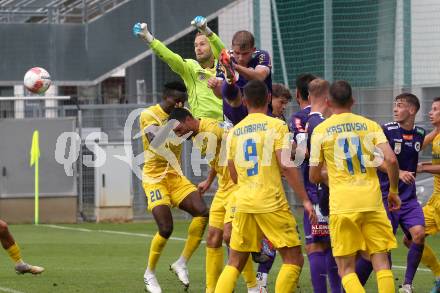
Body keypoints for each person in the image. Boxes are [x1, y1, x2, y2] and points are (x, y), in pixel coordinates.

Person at [214, 80, 317, 293]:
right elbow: (287, 166)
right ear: (269, 98)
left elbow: (232, 175)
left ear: (244, 101)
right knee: (293, 259)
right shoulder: (277, 126)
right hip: (271, 201)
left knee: (234, 262)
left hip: (242, 202)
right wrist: (305, 200)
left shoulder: (234, 132)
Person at [309, 80, 401, 293]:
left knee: (346, 269)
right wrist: (394, 191)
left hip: (343, 204)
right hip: (372, 202)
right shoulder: (370, 125)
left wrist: (329, 176)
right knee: (381, 263)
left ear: (328, 102)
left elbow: (314, 176)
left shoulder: (321, 130)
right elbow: (392, 161)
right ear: (353, 101)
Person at [168, 107, 259, 292]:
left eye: (179, 130)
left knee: (230, 236)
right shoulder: (195, 136)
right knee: (213, 238)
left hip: (237, 185)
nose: (178, 134)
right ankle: (211, 289)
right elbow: (217, 158)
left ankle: (254, 287)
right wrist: (209, 181)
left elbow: (236, 140)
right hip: (223, 187)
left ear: (188, 119)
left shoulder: (212, 128)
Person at [139, 82, 209, 293]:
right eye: (176, 100)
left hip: (175, 176)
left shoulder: (183, 114)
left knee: (203, 212)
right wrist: (174, 126)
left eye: (183, 101)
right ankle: (149, 273)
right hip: (155, 178)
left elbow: (195, 134)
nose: (180, 104)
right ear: (165, 96)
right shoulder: (149, 114)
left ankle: (181, 262)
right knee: (166, 228)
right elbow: (154, 140)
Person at [354, 93, 426, 293]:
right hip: (387, 198)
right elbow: (374, 160)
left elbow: (416, 152)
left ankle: (407, 285)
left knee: (419, 234)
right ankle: (352, 288)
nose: (395, 109)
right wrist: (399, 172)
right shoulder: (386, 130)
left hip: (408, 199)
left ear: (412, 110)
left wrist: (419, 167)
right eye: (394, 105)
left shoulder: (420, 133)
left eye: (400, 105)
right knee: (378, 250)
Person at [133, 19, 223, 121]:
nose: (198, 48)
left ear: (212, 46)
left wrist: (206, 30)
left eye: (202, 44)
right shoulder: (190, 68)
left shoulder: (222, 67)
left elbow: (222, 51)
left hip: (225, 125)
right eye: (195, 45)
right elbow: (170, 57)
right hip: (203, 128)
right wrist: (149, 38)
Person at [302, 79, 341, 292]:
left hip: (313, 190)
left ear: (308, 97)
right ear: (328, 98)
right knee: (326, 246)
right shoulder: (322, 124)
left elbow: (299, 155)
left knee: (320, 245)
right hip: (324, 192)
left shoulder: (304, 119)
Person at [415, 97, 440, 293]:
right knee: (411, 235)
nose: (430, 113)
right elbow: (417, 147)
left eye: (435, 109)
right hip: (435, 202)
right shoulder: (437, 134)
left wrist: (423, 167)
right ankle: (439, 275)